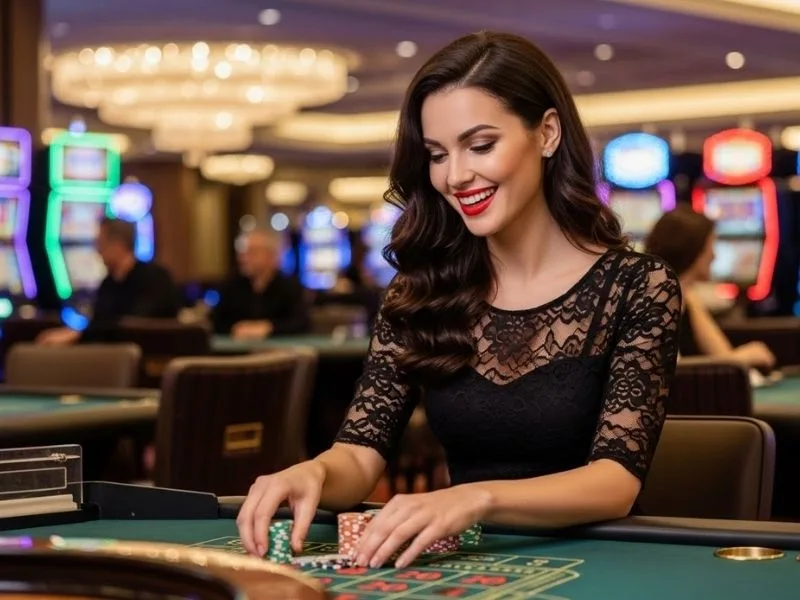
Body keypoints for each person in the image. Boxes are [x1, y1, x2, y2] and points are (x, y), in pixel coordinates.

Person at [237, 31, 682, 568]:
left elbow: (615, 482)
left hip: (599, 564)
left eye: (481, 145)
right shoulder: (422, 290)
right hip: (469, 566)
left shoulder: (639, 285)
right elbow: (361, 450)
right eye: (437, 154)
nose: (456, 176)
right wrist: (314, 471)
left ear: (546, 133)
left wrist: (476, 497)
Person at [644, 205, 775, 370]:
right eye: (710, 246)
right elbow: (672, 372)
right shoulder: (656, 300)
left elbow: (721, 354)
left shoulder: (685, 295)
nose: (714, 256)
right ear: (693, 251)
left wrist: (737, 359)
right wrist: (744, 358)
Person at [37, 217, 181, 345]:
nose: (97, 251)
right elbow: (100, 323)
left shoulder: (155, 277)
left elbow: (133, 326)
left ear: (118, 245)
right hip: (112, 357)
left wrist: (77, 336)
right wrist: (73, 334)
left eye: (100, 243)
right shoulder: (108, 283)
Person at [210, 229, 310, 339]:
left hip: (280, 353)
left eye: (252, 252)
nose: (244, 258)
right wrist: (238, 329)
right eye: (242, 253)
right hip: (237, 354)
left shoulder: (291, 286)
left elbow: (302, 323)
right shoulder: (230, 285)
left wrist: (268, 328)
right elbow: (216, 322)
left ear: (271, 256)